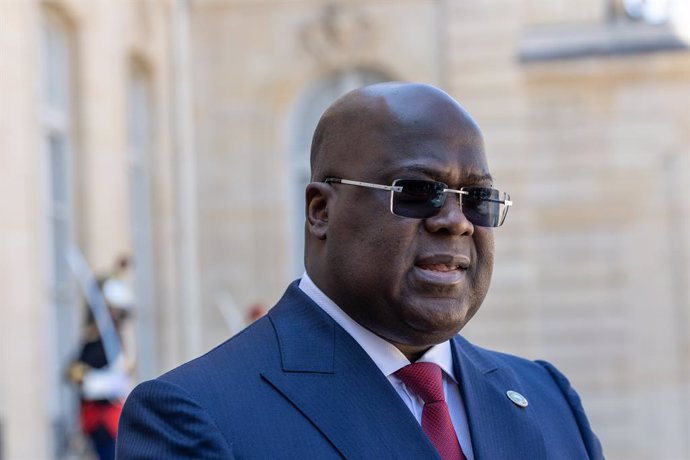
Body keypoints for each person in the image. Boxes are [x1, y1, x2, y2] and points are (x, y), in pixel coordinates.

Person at [116, 82, 603, 459]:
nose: (455, 221)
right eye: (416, 191)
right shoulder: (195, 415)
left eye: (477, 199)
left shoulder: (549, 399)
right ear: (320, 211)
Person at [68, 272, 134, 460]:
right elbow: (74, 372)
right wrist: (104, 383)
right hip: (101, 421)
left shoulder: (114, 338)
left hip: (115, 418)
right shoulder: (96, 340)